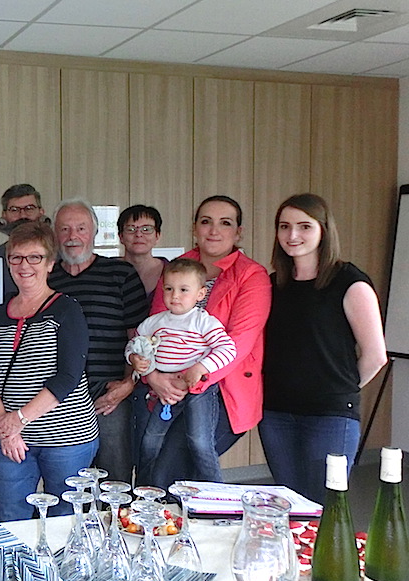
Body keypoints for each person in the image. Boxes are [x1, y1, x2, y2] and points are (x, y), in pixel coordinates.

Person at [260, 193, 386, 503]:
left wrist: (336, 390)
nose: (293, 235)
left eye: (304, 226)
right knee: (290, 506)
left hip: (330, 416)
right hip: (276, 414)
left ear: (323, 230)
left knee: (323, 507)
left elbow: (375, 356)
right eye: (284, 226)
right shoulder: (274, 284)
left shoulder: (350, 282)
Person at [138, 195, 271, 484]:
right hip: (168, 386)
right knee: (155, 464)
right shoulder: (176, 267)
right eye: (206, 221)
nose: (214, 230)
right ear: (194, 228)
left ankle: (205, 521)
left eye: (225, 223)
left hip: (225, 393)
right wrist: (155, 377)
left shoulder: (252, 275)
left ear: (238, 232)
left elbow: (240, 340)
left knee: (170, 475)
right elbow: (156, 328)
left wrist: (193, 377)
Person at [0, 222, 98, 521]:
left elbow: (68, 376)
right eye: (16, 258)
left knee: (65, 518)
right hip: (12, 439)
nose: (24, 265)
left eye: (35, 257)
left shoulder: (66, 309)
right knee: (10, 515)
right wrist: (7, 430)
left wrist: (18, 420)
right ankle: (16, 570)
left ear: (50, 264)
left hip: (67, 438)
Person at [47, 198, 148, 483]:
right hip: (58, 398)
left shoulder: (121, 274)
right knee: (68, 484)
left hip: (110, 395)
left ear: (94, 233)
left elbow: (139, 338)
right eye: (64, 229)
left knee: (115, 478)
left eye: (80, 228)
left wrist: (129, 384)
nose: (72, 237)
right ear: (55, 235)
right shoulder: (46, 277)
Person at [127, 259, 237, 488]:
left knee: (199, 442)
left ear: (200, 294)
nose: (174, 296)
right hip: (165, 393)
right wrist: (134, 359)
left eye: (183, 290)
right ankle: (146, 493)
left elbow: (229, 349)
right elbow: (134, 345)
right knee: (149, 442)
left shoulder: (204, 322)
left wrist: (200, 367)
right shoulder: (153, 322)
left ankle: (218, 494)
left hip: (198, 392)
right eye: (169, 289)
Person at [0, 184, 48, 299]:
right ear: (4, 215)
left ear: (41, 212)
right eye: (14, 210)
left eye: (29, 209)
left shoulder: (57, 256)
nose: (22, 215)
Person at [118, 204, 167, 300]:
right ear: (121, 236)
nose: (138, 234)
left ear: (157, 236)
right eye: (131, 229)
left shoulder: (172, 270)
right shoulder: (107, 271)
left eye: (146, 229)